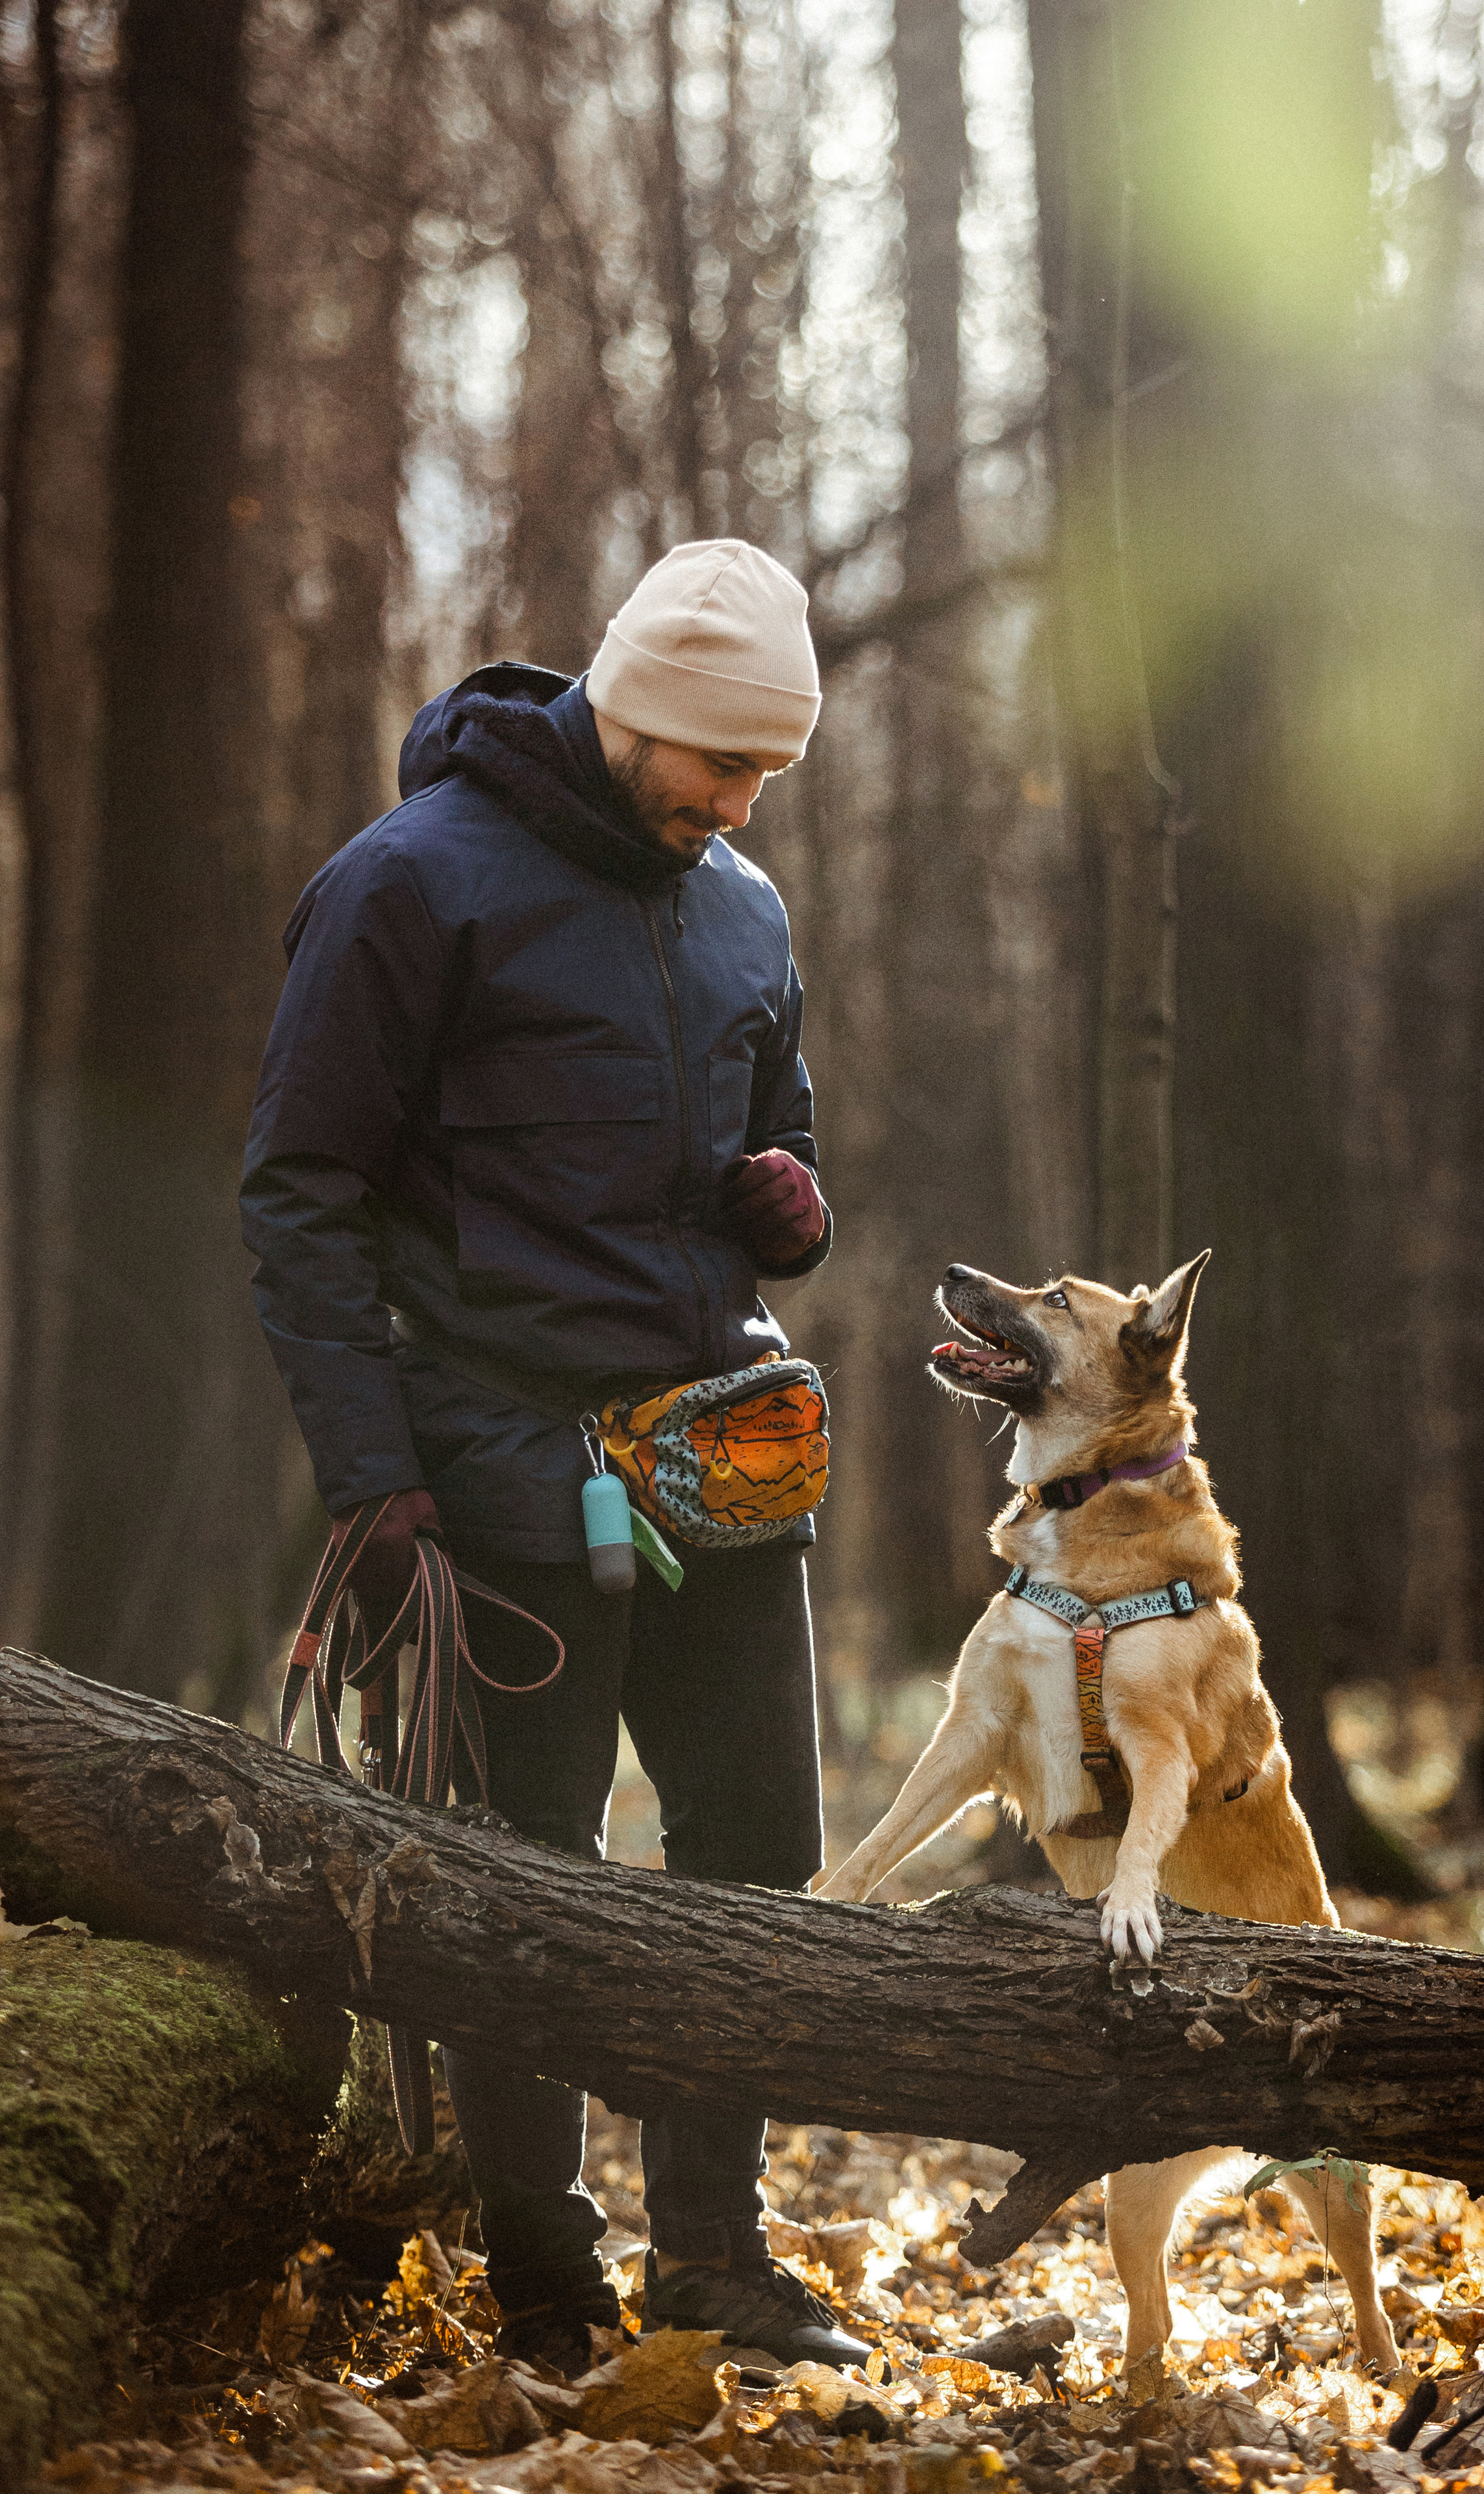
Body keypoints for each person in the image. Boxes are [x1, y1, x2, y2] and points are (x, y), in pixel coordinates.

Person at [242, 540, 870, 2376]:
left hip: (720, 1456)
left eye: (768, 776)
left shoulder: (744, 904)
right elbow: (301, 1193)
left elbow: (783, 1145)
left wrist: (792, 1206)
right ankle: (542, 2276)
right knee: (528, 1875)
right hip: (497, 1454)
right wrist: (376, 1475)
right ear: (632, 713)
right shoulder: (406, 885)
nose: (739, 806)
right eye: (718, 767)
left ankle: (716, 2262)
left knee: (758, 1849)